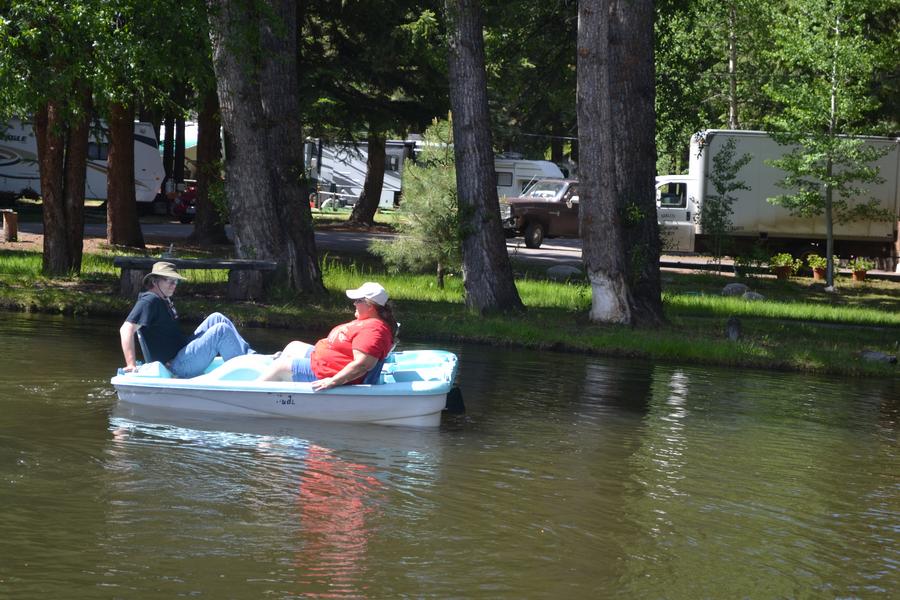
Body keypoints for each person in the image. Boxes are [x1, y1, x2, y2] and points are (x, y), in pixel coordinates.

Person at [119, 261, 257, 378]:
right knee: (221, 331)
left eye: (176, 281)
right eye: (170, 281)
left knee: (217, 317)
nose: (174, 285)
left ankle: (252, 357)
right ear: (155, 281)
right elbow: (126, 329)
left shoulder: (163, 300)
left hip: (182, 353)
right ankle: (244, 373)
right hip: (177, 365)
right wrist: (131, 364)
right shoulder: (149, 301)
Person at [259, 282, 398, 391]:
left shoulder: (374, 330)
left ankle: (249, 393)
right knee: (294, 347)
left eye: (358, 300)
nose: (354, 303)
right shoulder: (367, 321)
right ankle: (281, 386)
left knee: (280, 366)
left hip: (330, 373)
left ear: (370, 306)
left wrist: (333, 381)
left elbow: (363, 365)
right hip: (327, 363)